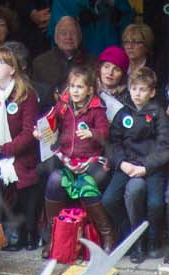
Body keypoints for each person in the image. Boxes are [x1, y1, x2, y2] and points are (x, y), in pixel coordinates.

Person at [33, 59, 113, 258]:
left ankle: (107, 235)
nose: (75, 91)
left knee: (85, 185)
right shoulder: (63, 104)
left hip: (91, 160)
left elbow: (104, 132)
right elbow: (50, 121)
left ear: (90, 90)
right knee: (54, 180)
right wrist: (40, 132)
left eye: (80, 87)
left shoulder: (97, 107)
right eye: (72, 86)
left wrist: (92, 133)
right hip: (67, 158)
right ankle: (55, 237)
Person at [0, 44, 42, 264]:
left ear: (12, 70)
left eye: (1, 63)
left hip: (19, 156)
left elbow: (28, 134)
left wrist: (0, 151)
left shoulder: (26, 94)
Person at [98, 62, 165, 261]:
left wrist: (146, 167)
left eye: (142, 90)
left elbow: (165, 146)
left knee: (155, 203)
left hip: (150, 168)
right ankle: (133, 237)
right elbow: (114, 143)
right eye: (134, 88)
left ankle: (153, 240)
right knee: (109, 200)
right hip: (126, 165)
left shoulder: (158, 113)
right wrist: (122, 163)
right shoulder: (123, 111)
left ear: (152, 92)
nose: (137, 94)